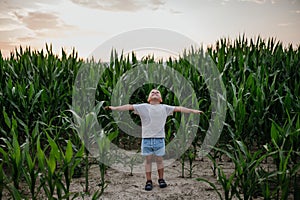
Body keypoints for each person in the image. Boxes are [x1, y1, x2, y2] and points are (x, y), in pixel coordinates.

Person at [106, 89, 203, 191]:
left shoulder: (165, 108)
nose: (155, 93)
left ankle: (161, 179)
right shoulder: (143, 107)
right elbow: (128, 106)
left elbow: (179, 109)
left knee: (159, 160)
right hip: (146, 139)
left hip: (159, 139)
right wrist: (114, 108)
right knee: (148, 161)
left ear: (161, 99)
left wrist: (193, 111)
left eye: (157, 92)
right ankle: (148, 181)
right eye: (152, 92)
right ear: (148, 99)